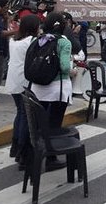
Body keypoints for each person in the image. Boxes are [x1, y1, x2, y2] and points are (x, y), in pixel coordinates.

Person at [28, 12, 74, 171]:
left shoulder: (39, 40)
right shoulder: (63, 42)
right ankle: (51, 158)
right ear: (62, 25)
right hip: (57, 91)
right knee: (54, 124)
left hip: (37, 88)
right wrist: (72, 71)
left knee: (40, 123)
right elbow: (65, 67)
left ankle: (34, 154)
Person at [4, 14, 40, 167]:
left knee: (20, 113)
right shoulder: (31, 41)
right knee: (26, 116)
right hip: (24, 81)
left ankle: (15, 146)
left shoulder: (13, 40)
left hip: (12, 81)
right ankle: (22, 151)